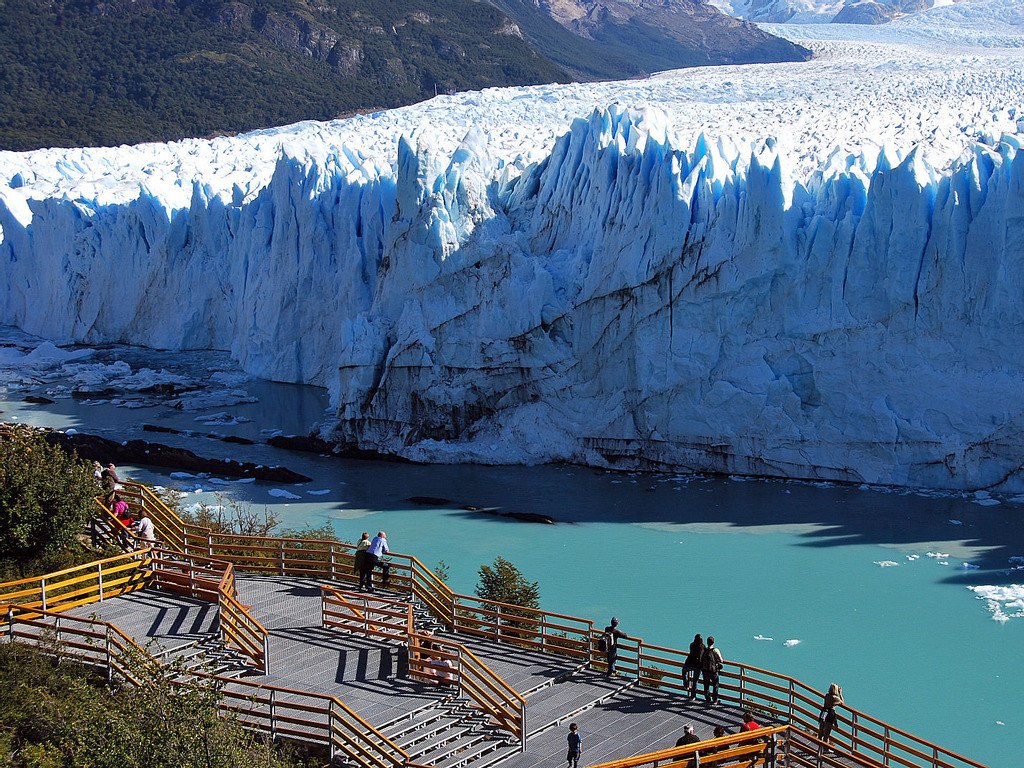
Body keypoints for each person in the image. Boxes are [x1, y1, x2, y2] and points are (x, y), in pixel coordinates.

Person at [818, 683, 844, 749]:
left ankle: (819, 746)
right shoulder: (835, 698)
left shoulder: (827, 696)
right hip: (830, 715)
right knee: (827, 733)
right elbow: (842, 702)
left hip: (824, 712)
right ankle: (825, 748)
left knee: (821, 730)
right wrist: (840, 693)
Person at [701, 636, 723, 704]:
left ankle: (708, 699)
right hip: (713, 671)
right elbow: (721, 660)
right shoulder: (715, 650)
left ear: (707, 642)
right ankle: (715, 700)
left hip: (705, 670)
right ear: (713, 642)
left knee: (706, 685)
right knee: (715, 685)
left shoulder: (704, 650)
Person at [684, 633, 705, 699]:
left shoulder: (692, 645)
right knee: (695, 681)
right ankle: (693, 696)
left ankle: (686, 684)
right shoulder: (703, 647)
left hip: (690, 663)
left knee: (684, 671)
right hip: (698, 666)